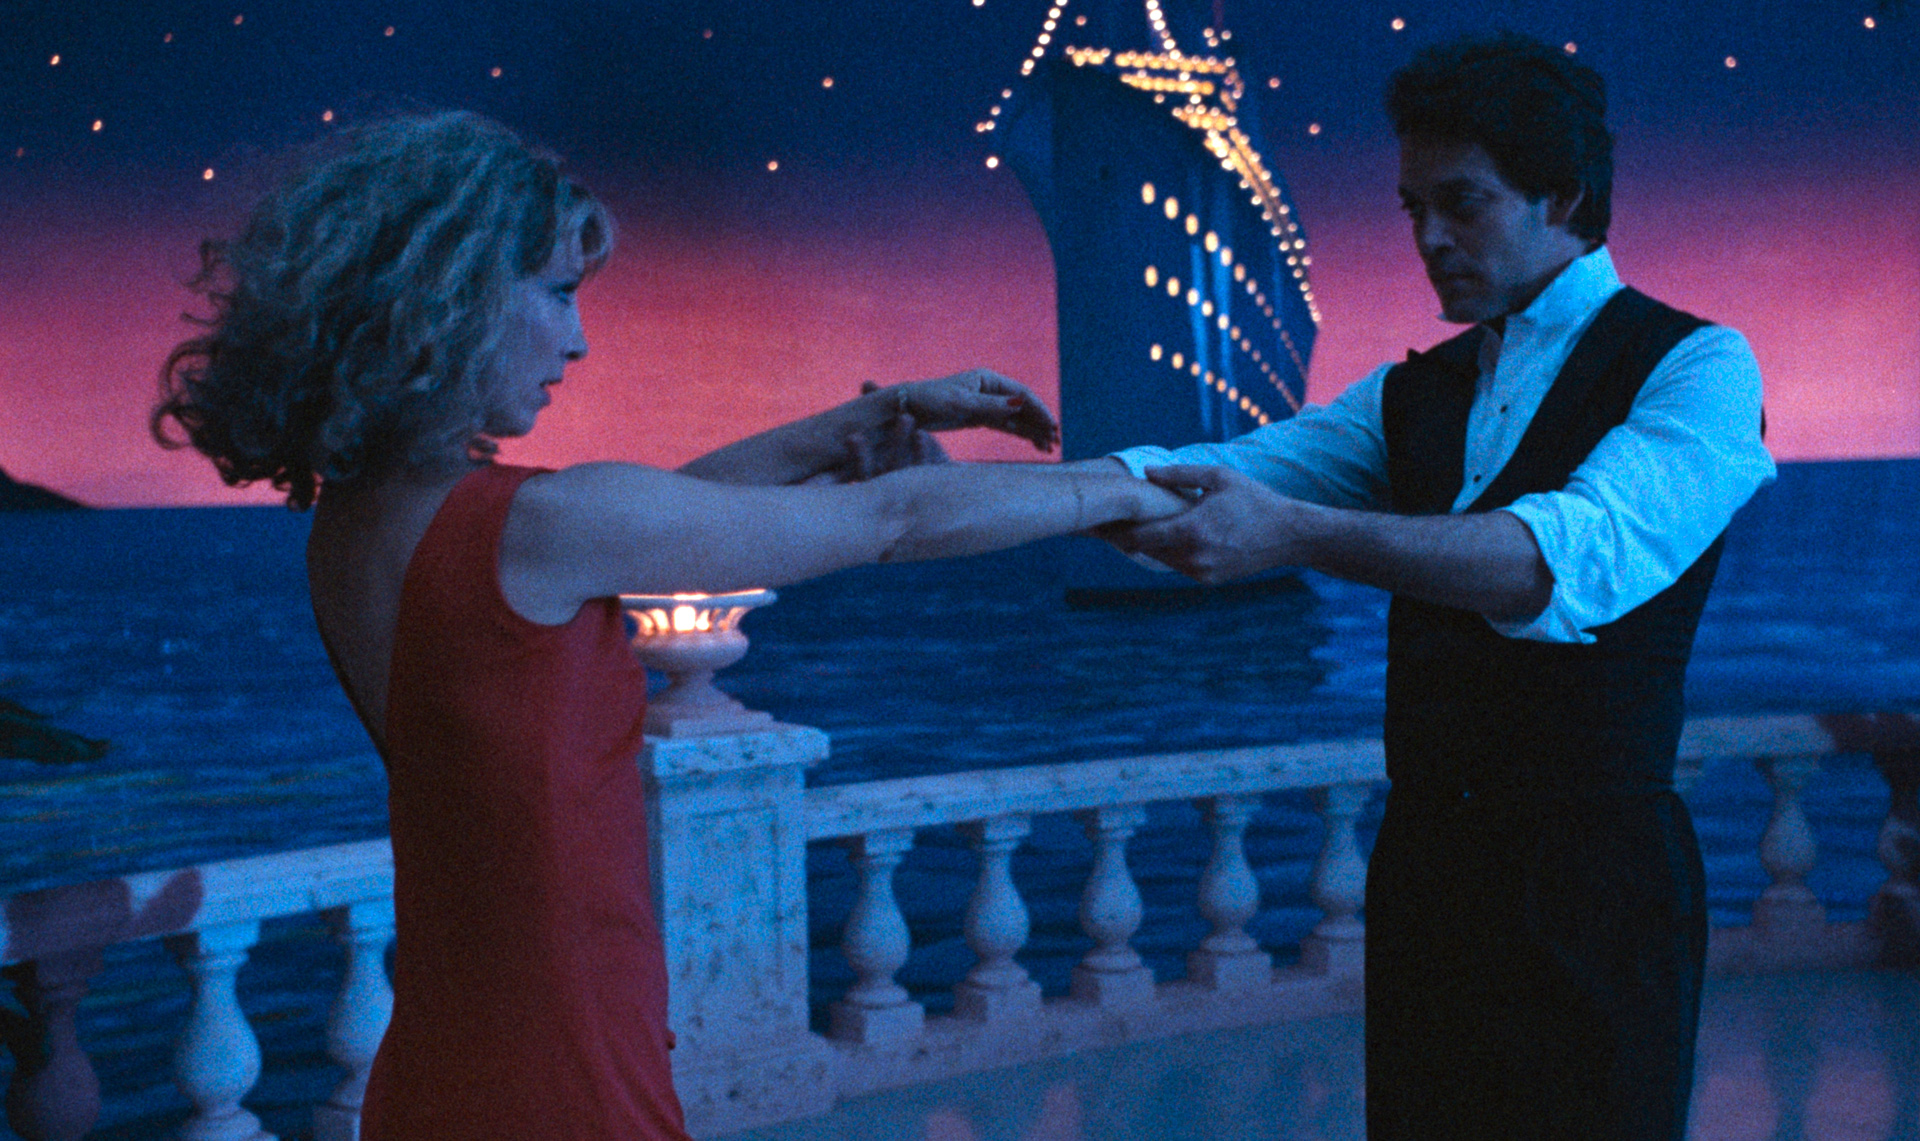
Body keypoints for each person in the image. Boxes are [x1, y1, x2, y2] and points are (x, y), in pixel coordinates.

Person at [151, 111, 1187, 1141]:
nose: (578, 338)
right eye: (558, 293)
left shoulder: (356, 521)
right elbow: (895, 518)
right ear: (449, 296)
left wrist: (865, 420)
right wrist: (1136, 483)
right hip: (563, 1073)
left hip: (438, 1065)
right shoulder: (538, 527)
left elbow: (648, 515)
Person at [1078, 33, 1775, 1141]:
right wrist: (978, 492)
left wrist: (1295, 533)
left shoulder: (1698, 365)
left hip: (1597, 888)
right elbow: (1207, 473)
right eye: (1414, 207)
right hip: (1429, 878)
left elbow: (1551, 561)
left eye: (1462, 201)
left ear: (1563, 195)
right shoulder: (1414, 394)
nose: (1429, 238)